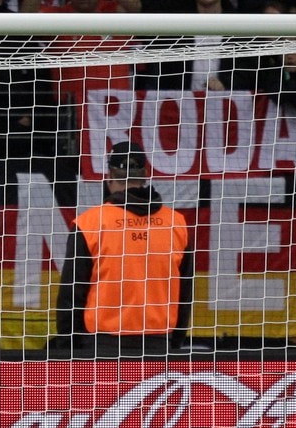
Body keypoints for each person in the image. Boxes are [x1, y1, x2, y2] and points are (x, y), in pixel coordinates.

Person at [54, 141, 193, 352]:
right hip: (159, 345)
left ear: (109, 177)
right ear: (145, 175)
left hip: (101, 346)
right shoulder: (177, 223)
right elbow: (185, 293)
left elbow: (71, 295)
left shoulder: (89, 223)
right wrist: (175, 344)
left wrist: (67, 349)